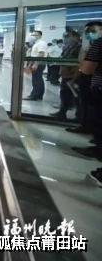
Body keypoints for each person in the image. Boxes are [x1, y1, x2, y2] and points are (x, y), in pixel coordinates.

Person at [72, 21, 102, 175]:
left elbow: (87, 68)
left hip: (98, 87)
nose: (89, 33)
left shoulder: (98, 43)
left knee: (97, 118)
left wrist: (79, 74)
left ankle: (98, 149)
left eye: (92, 30)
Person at [50, 31, 81, 120]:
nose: (66, 38)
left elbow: (79, 62)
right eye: (65, 37)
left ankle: (79, 115)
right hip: (65, 74)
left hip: (73, 75)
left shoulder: (79, 47)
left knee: (76, 95)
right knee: (64, 94)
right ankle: (62, 112)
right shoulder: (67, 46)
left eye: (68, 36)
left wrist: (75, 77)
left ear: (75, 36)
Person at [24, 30, 47, 101]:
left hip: (39, 63)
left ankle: (35, 95)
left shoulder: (42, 43)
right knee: (37, 79)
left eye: (35, 35)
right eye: (32, 35)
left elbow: (41, 53)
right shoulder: (36, 44)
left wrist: (36, 64)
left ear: (40, 35)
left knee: (37, 80)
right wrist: (29, 65)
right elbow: (33, 55)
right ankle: (38, 95)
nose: (33, 36)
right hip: (35, 63)